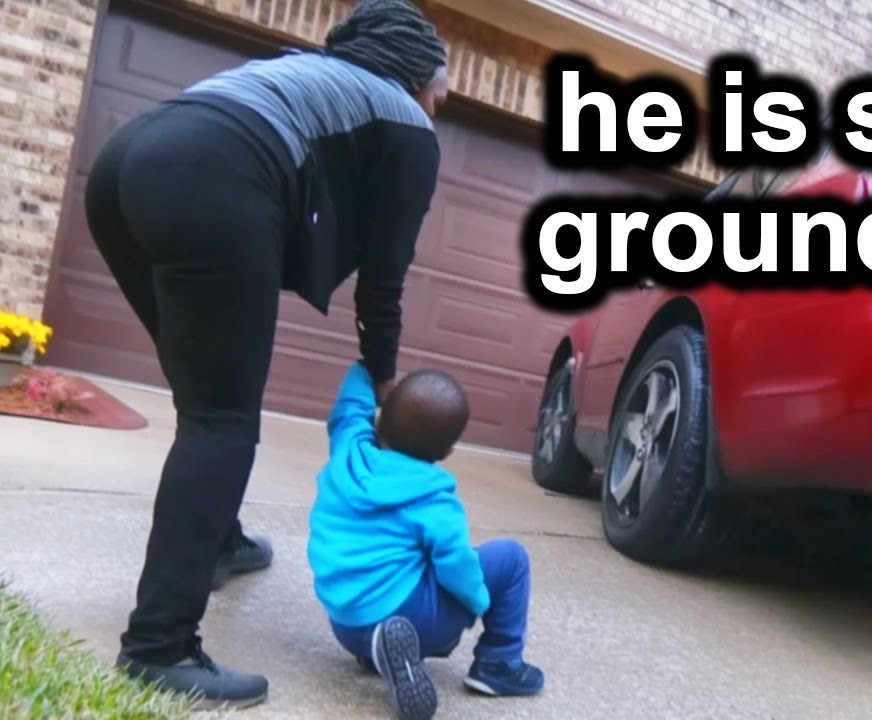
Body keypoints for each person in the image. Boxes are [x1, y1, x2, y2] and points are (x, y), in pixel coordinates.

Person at [83, 0, 451, 708]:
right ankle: (158, 646)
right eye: (441, 94)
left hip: (127, 161)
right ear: (416, 79)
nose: (440, 109)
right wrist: (384, 380)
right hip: (211, 173)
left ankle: (220, 542)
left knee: (205, 405)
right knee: (221, 420)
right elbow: (384, 278)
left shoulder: (310, 75)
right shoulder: (407, 122)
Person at [308, 361, 544, 720]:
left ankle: (381, 651)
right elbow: (457, 566)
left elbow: (350, 404)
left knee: (399, 568)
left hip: (346, 624)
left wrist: (372, 367)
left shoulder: (348, 449)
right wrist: (478, 603)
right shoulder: (433, 497)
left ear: (380, 418)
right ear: (446, 452)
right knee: (511, 559)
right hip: (413, 618)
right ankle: (499, 664)